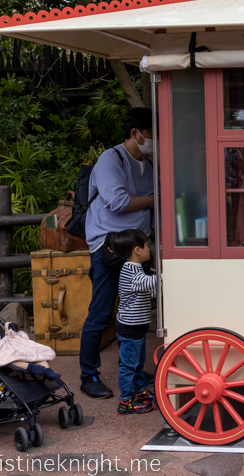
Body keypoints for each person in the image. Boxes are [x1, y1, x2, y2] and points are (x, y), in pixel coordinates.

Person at [79, 108, 155, 399]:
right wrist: (153, 199)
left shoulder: (147, 162)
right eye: (151, 133)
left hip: (137, 248)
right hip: (107, 247)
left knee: (135, 312)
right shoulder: (111, 159)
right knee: (101, 312)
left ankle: (135, 370)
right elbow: (118, 201)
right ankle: (88, 375)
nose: (154, 139)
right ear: (135, 133)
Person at [107, 229, 157, 415]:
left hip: (136, 325)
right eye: (146, 245)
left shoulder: (135, 269)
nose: (148, 249)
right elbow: (148, 283)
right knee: (128, 365)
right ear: (137, 250)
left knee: (138, 362)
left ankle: (140, 391)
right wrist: (170, 276)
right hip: (130, 326)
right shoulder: (130, 271)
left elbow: (146, 288)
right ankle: (126, 401)